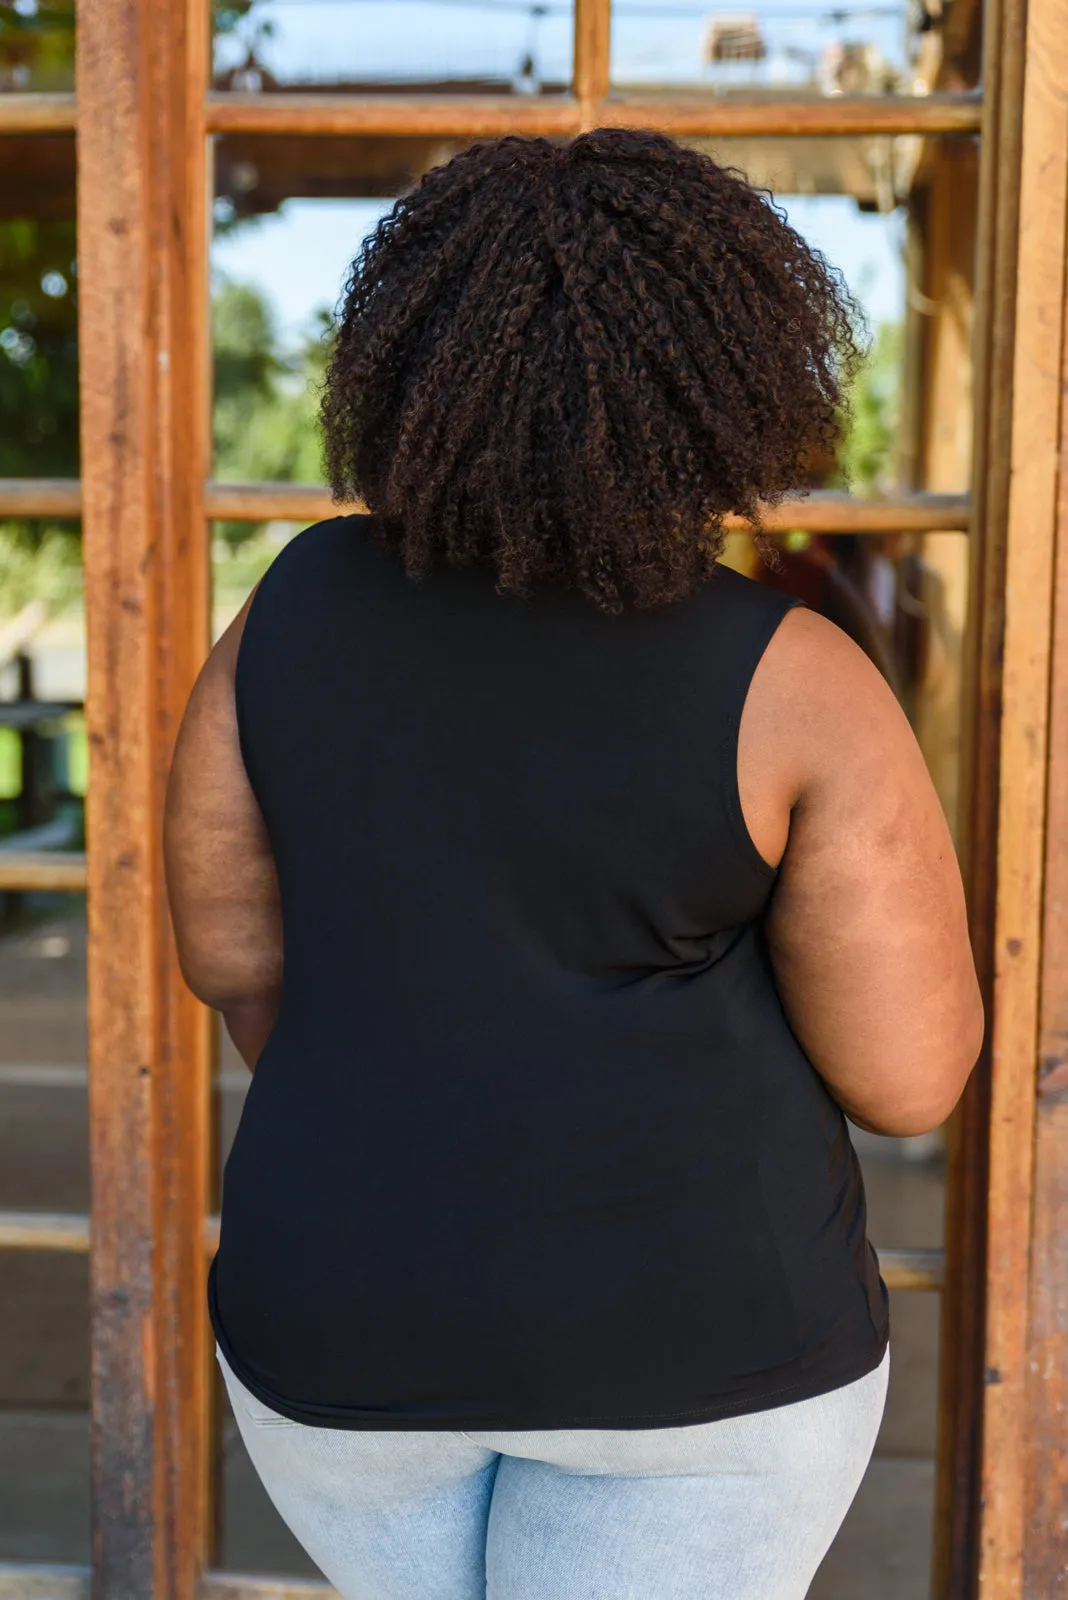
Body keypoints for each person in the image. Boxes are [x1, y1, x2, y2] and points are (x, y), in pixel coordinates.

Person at [163, 129, 983, 1600]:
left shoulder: (281, 614)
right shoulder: (795, 678)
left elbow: (233, 960)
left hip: (339, 1342)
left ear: (410, 358)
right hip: (707, 1365)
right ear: (730, 375)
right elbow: (908, 1074)